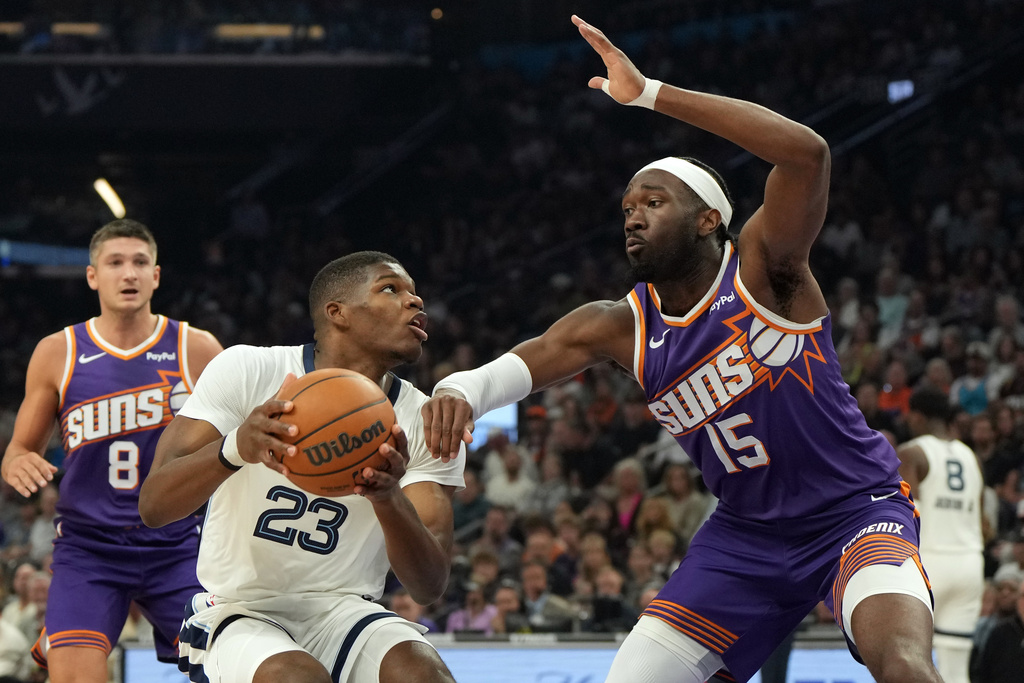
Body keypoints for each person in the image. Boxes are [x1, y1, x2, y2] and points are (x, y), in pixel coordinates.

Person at [422, 16, 941, 683]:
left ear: (707, 219)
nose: (632, 214)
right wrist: (461, 388)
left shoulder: (764, 270)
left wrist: (649, 94)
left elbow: (807, 154)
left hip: (855, 510)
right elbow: (529, 360)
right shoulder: (621, 324)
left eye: (653, 200)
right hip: (746, 538)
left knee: (900, 660)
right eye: (627, 206)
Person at [138, 251, 464, 683]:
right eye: (391, 289)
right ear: (338, 313)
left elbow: (429, 585)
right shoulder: (250, 369)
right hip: (241, 609)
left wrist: (388, 497)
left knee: (425, 677)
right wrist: (236, 447)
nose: (415, 301)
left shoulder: (426, 420)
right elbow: (153, 506)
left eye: (414, 292)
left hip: (347, 609)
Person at [0, 219, 223, 683]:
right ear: (92, 276)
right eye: (115, 263)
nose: (129, 274)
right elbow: (20, 447)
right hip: (90, 546)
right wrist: (19, 458)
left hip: (179, 542)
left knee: (228, 670)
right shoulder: (58, 351)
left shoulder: (196, 348)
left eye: (140, 263)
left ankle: (62, 630)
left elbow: (236, 447)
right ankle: (68, 630)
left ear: (156, 276)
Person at [897, 388, 985, 683]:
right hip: (970, 564)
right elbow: (984, 522)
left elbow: (908, 514)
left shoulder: (913, 451)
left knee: (906, 662)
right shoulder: (969, 455)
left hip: (931, 562)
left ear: (918, 416)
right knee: (957, 669)